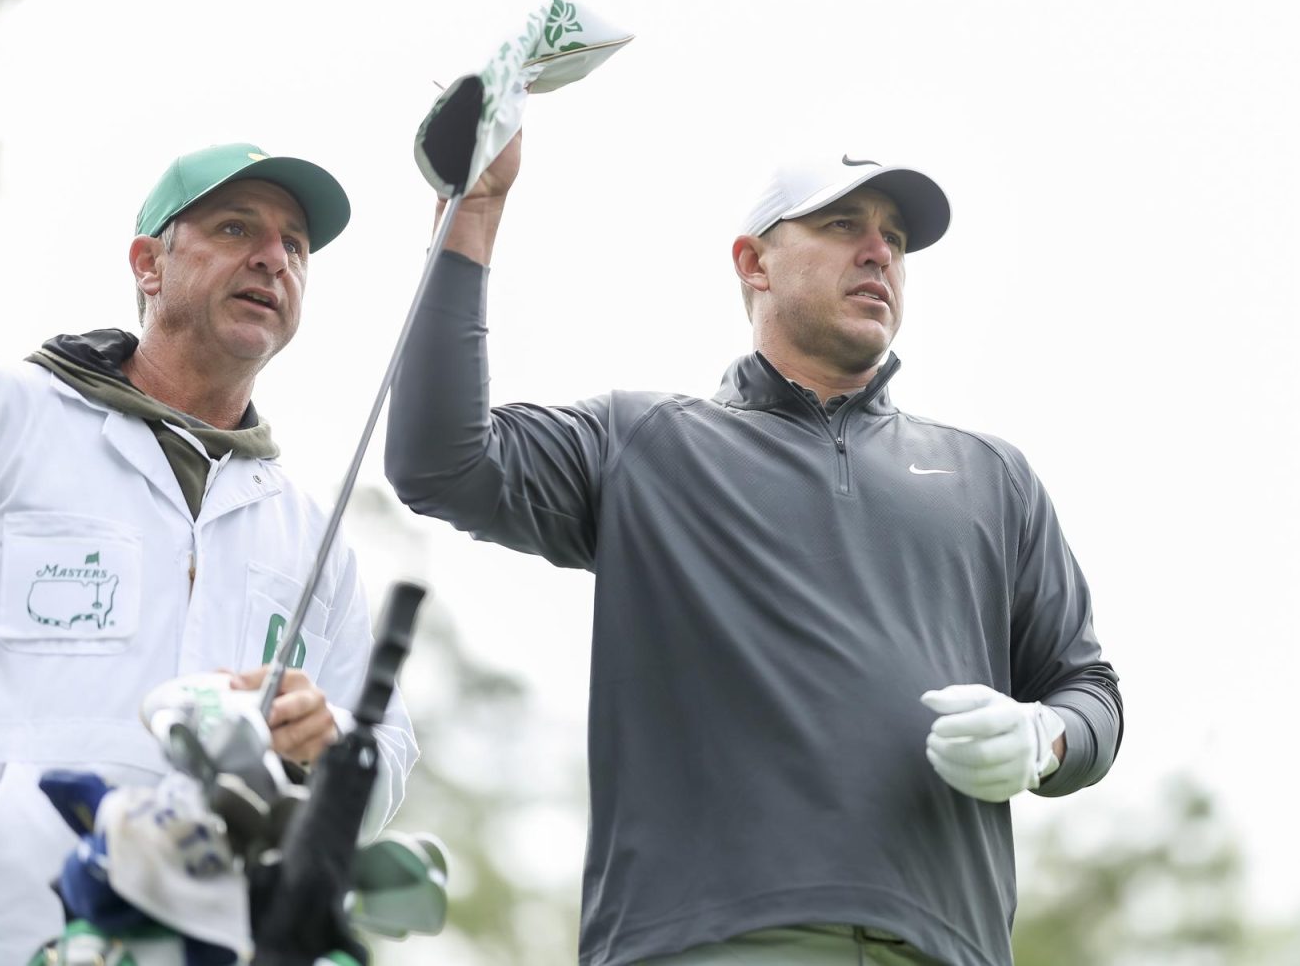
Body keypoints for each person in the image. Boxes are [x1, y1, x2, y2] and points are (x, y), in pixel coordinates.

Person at [385, 132, 1121, 966]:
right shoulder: (643, 444)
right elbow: (439, 460)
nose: (879, 251)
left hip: (945, 947)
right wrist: (470, 215)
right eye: (843, 224)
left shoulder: (992, 477)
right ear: (753, 263)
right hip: (708, 943)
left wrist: (1043, 737)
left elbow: (1088, 689)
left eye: (896, 237)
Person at [0, 143, 418, 963]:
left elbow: (387, 747)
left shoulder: (311, 534)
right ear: (148, 264)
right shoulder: (18, 418)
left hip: (215, 937)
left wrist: (328, 743)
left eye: (295, 245)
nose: (273, 257)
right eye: (235, 227)